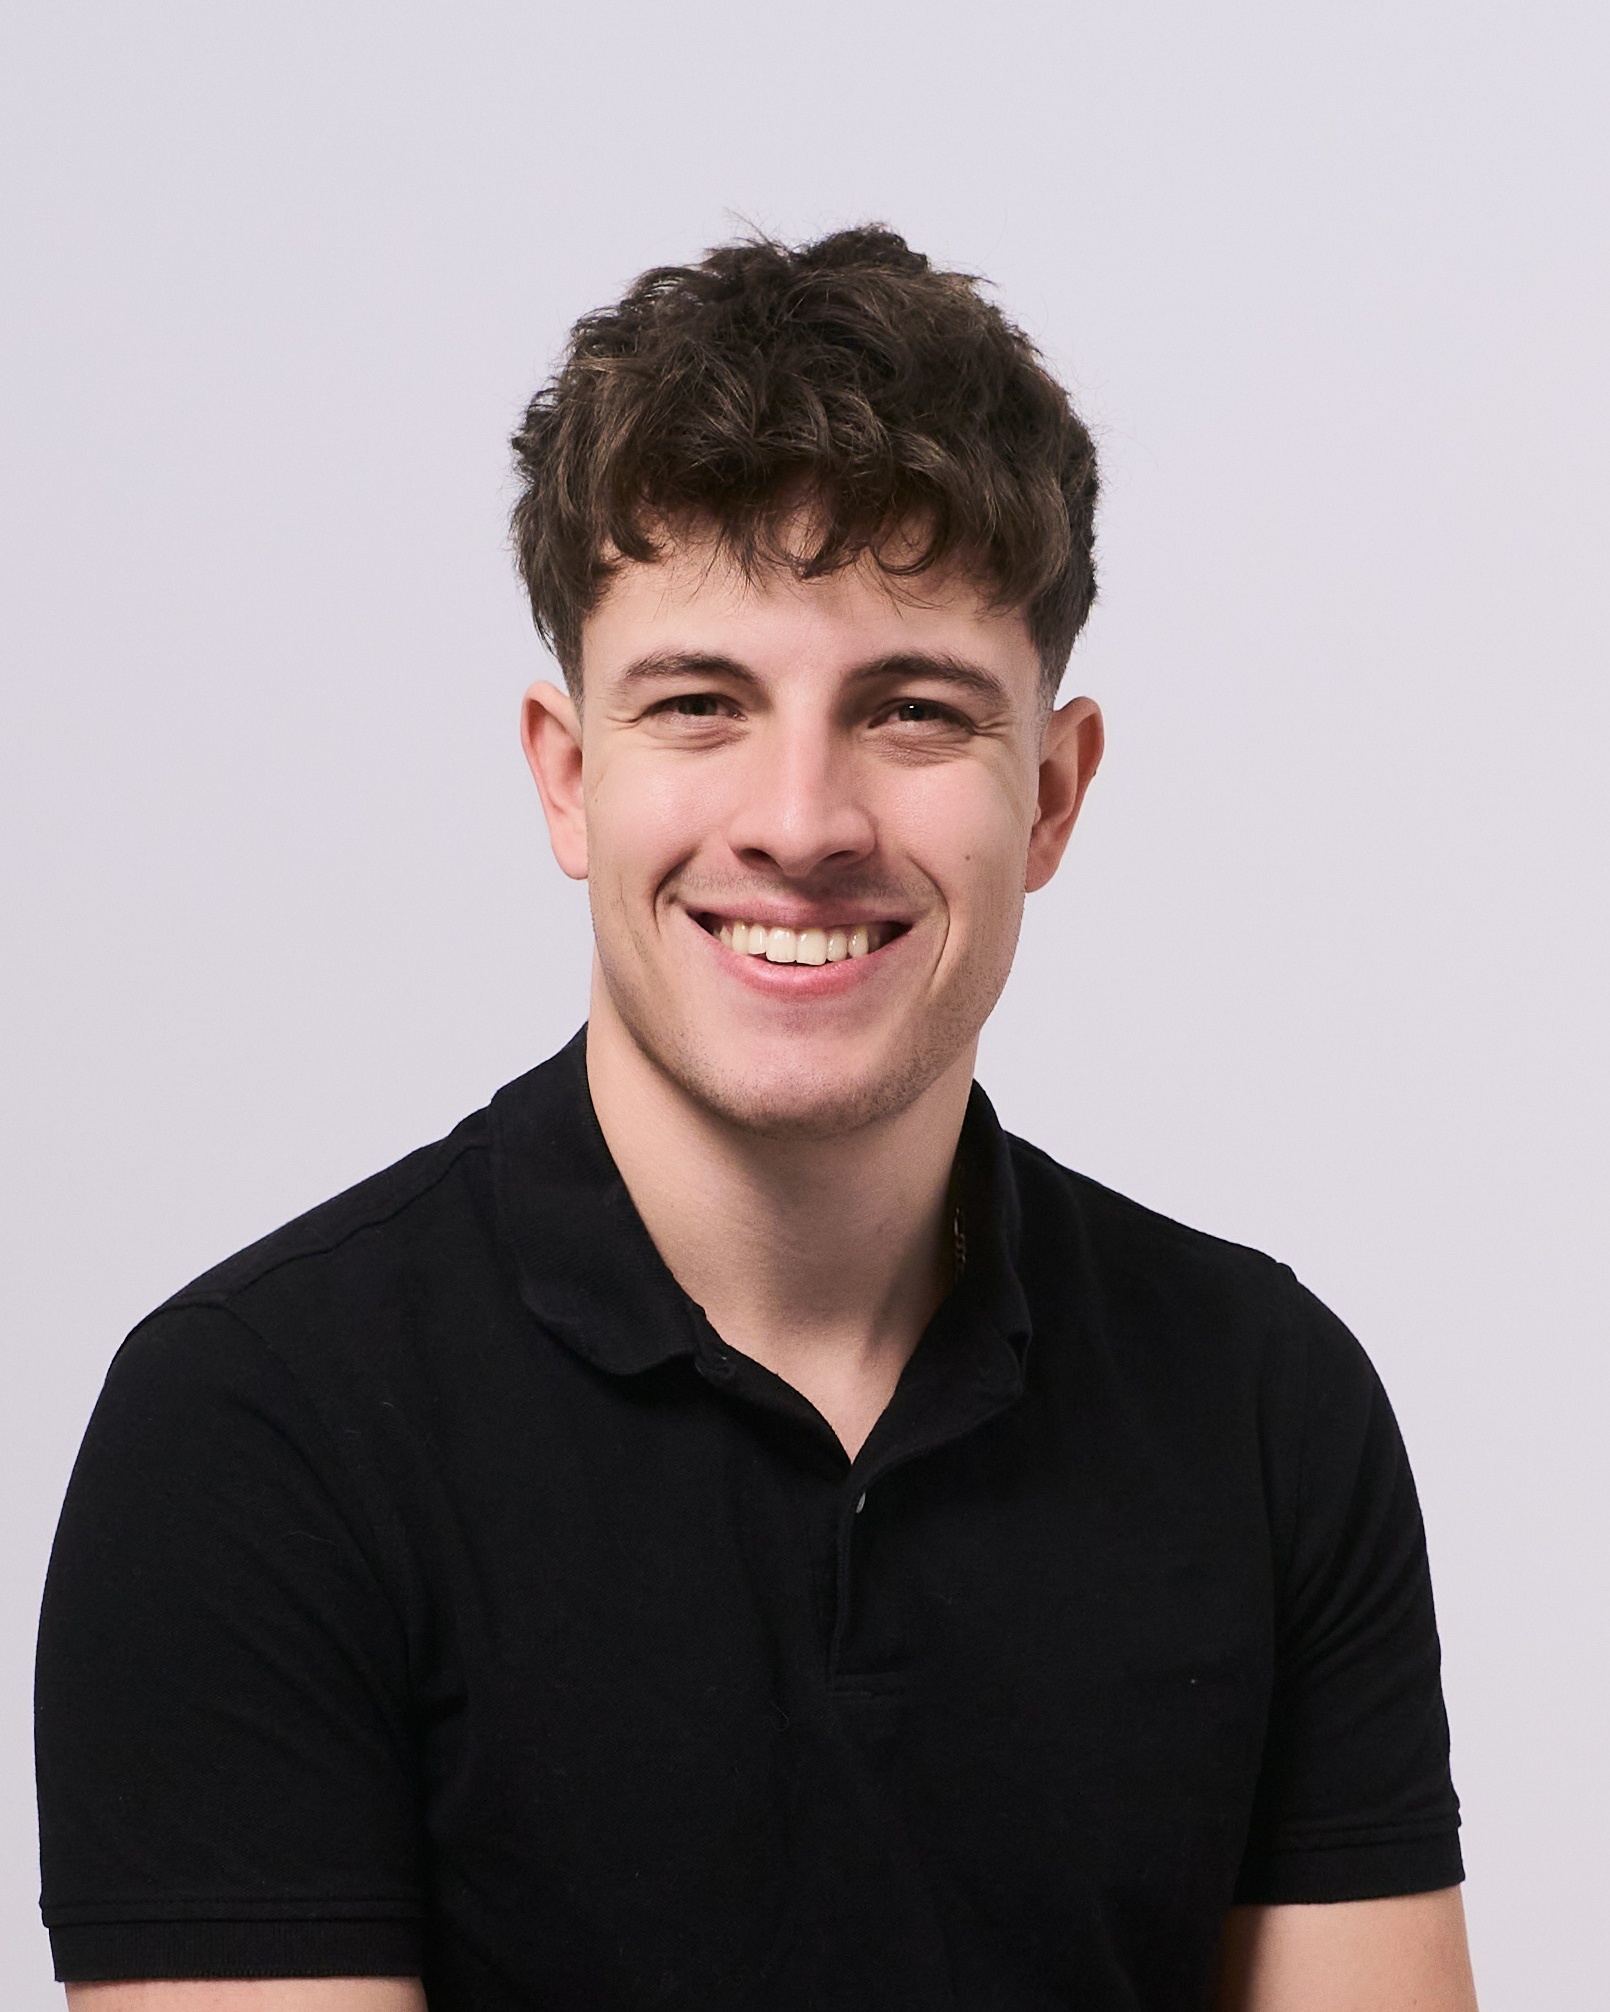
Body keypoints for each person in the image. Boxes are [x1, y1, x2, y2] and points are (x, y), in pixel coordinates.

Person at [34, 226, 1478, 2012]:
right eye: (702, 704)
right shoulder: (254, 1432)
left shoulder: (1267, 1402)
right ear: (569, 778)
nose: (800, 818)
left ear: (1054, 791)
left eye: (912, 711)